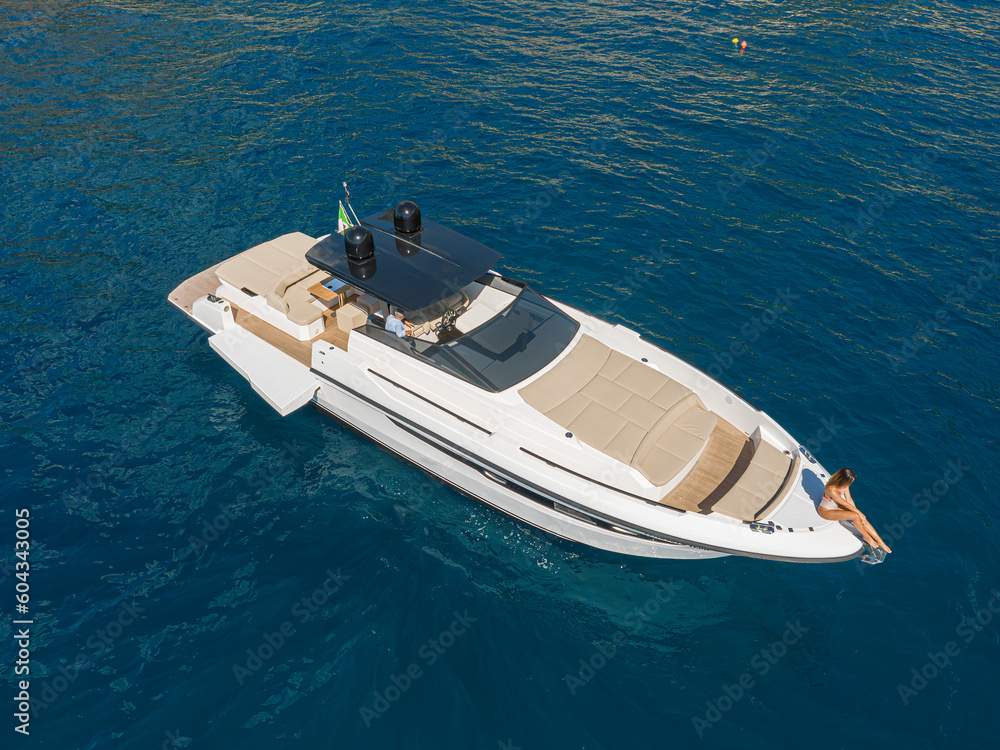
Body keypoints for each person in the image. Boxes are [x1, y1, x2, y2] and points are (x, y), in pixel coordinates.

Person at [817, 468, 892, 553]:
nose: (849, 484)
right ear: (842, 480)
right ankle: (867, 537)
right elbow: (845, 504)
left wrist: (859, 513)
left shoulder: (844, 485)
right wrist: (858, 513)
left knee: (860, 517)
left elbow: (849, 500)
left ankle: (881, 542)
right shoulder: (832, 489)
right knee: (856, 516)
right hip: (826, 512)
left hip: (836, 506)